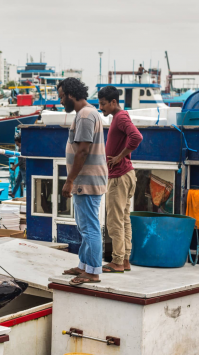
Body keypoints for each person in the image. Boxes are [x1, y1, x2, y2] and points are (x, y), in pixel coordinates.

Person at [57, 78, 108, 285]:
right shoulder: (85, 114)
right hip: (85, 180)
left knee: (90, 227)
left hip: (86, 181)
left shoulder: (86, 115)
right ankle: (84, 265)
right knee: (84, 225)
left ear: (70, 94)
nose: (60, 101)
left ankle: (93, 272)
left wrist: (69, 181)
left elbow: (83, 150)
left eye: (61, 97)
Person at [98, 86, 143, 273]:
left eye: (103, 104)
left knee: (115, 221)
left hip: (119, 177)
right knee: (124, 219)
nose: (101, 108)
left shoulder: (120, 117)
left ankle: (117, 261)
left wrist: (119, 157)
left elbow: (137, 137)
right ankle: (124, 260)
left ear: (113, 102)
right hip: (126, 175)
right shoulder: (120, 117)